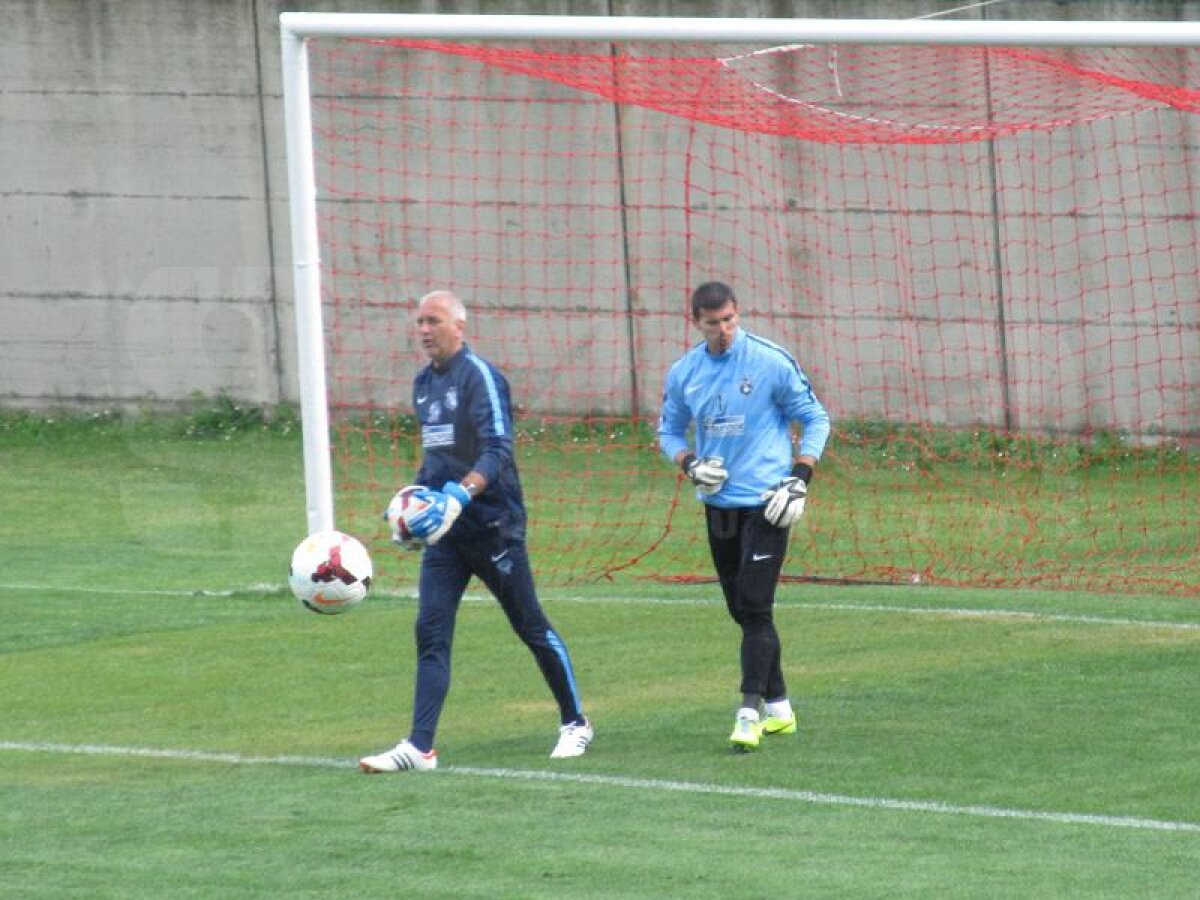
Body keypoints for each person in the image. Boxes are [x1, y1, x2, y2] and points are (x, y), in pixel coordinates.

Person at [359, 290, 592, 772]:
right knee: (430, 630)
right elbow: (435, 460)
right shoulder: (423, 383)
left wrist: (460, 496)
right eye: (420, 322)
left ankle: (575, 722)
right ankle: (420, 747)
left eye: (434, 321)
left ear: (459, 327)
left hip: (493, 527)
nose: (425, 330)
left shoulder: (480, 376)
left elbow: (498, 448)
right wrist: (410, 511)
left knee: (530, 625)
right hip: (447, 538)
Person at [658, 281, 831, 752]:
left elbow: (816, 418)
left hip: (767, 503)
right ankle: (780, 709)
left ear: (739, 315)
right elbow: (668, 431)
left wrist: (799, 477)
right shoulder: (685, 373)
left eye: (730, 320)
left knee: (754, 606)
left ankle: (748, 713)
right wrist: (689, 464)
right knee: (742, 610)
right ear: (696, 322)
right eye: (713, 323)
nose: (724, 330)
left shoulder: (770, 361)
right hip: (719, 507)